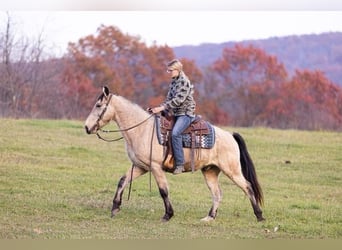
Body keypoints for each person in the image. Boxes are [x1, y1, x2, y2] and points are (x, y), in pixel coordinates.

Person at [151, 59, 196, 174]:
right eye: (168, 70)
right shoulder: (174, 82)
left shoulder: (184, 81)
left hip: (186, 113)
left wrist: (162, 108)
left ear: (177, 70)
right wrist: (156, 109)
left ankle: (180, 164)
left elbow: (178, 100)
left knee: (175, 133)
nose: (168, 72)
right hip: (176, 113)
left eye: (170, 70)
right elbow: (168, 100)